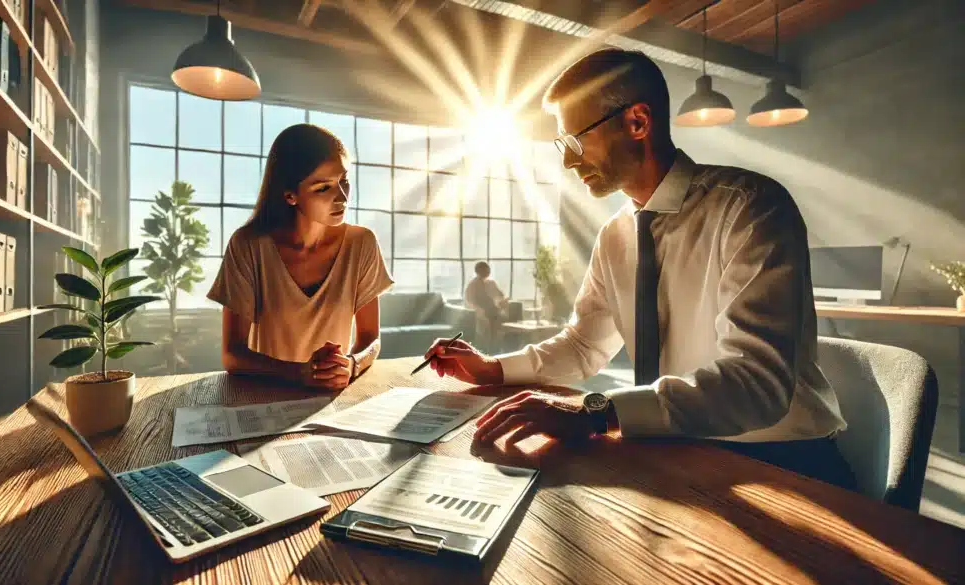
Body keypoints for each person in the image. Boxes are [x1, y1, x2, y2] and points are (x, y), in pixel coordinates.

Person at [424, 49, 855, 490]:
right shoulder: (616, 235)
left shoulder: (750, 208)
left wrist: (596, 412)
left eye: (576, 141)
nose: (568, 161)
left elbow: (756, 383)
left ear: (637, 122)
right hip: (680, 448)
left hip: (785, 463)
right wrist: (492, 369)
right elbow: (583, 345)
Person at [208, 124, 394, 390]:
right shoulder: (248, 245)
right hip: (263, 399)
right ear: (290, 195)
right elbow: (232, 355)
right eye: (323, 188)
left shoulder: (362, 243)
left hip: (329, 401)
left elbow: (370, 338)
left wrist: (352, 364)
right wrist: (300, 373)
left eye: (344, 181)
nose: (342, 197)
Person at [464, 261, 509, 351]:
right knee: (488, 325)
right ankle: (487, 349)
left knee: (499, 322)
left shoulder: (491, 283)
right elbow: (469, 301)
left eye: (488, 270)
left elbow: (501, 295)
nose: (488, 272)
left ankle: (497, 348)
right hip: (481, 311)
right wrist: (479, 310)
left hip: (493, 310)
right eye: (485, 270)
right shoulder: (472, 285)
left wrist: (503, 300)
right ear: (478, 271)